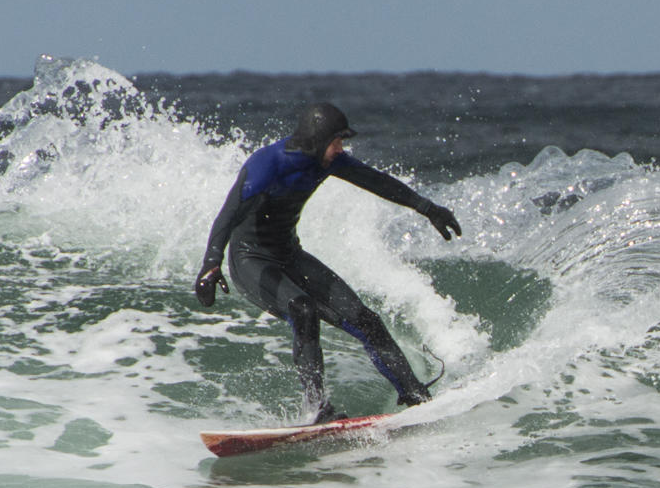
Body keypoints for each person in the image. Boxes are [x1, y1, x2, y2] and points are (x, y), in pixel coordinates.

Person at [195, 101, 463, 424]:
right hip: (250, 260)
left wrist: (428, 208)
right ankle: (316, 408)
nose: (340, 149)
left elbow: (376, 182)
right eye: (336, 142)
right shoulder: (268, 164)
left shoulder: (327, 162)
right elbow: (227, 215)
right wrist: (211, 265)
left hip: (289, 255)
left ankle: (415, 395)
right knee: (303, 310)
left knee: (366, 320)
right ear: (316, 141)